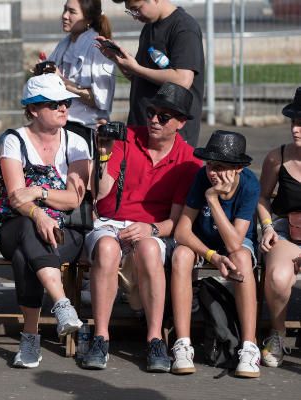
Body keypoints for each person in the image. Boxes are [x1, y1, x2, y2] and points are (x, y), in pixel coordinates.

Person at [82, 82, 201, 372]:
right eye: (151, 112)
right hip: (109, 221)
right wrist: (104, 154)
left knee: (148, 248)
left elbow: (176, 220)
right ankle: (100, 337)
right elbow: (100, 193)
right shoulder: (125, 138)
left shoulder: (188, 159)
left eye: (164, 116)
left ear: (181, 123)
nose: (153, 120)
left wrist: (151, 229)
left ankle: (154, 339)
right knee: (108, 248)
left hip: (152, 229)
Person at [0, 73, 89, 369]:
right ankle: (61, 303)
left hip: (66, 231)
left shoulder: (77, 141)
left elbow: (74, 198)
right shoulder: (13, 141)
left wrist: (38, 192)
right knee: (27, 228)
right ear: (33, 109)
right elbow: (15, 199)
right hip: (17, 225)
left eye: (66, 102)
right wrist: (40, 214)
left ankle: (30, 337)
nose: (63, 108)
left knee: (25, 256)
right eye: (54, 103)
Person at [171, 130, 260, 378]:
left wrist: (212, 200)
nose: (212, 172)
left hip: (236, 244)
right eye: (210, 165)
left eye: (220, 167)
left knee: (241, 258)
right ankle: (183, 344)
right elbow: (182, 231)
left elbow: (234, 244)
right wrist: (211, 255)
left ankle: (249, 347)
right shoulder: (202, 179)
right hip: (204, 244)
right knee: (181, 256)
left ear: (239, 168)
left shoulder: (250, 184)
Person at [102, 0, 204, 147]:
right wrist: (118, 60)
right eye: (131, 12)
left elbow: (182, 79)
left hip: (168, 136)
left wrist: (136, 68)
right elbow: (141, 78)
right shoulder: (149, 27)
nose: (134, 16)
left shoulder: (184, 27)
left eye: (136, 9)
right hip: (142, 128)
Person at [256, 87, 301, 369]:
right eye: (294, 121)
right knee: (278, 275)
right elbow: (261, 196)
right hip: (287, 227)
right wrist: (268, 226)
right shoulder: (278, 156)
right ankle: (278, 332)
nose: (296, 129)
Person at [47, 0, 115, 140]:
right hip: (60, 124)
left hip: (85, 128)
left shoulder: (98, 48)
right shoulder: (65, 43)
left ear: (88, 19)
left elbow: (100, 100)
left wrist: (62, 82)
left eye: (72, 12)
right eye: (65, 9)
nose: (65, 16)